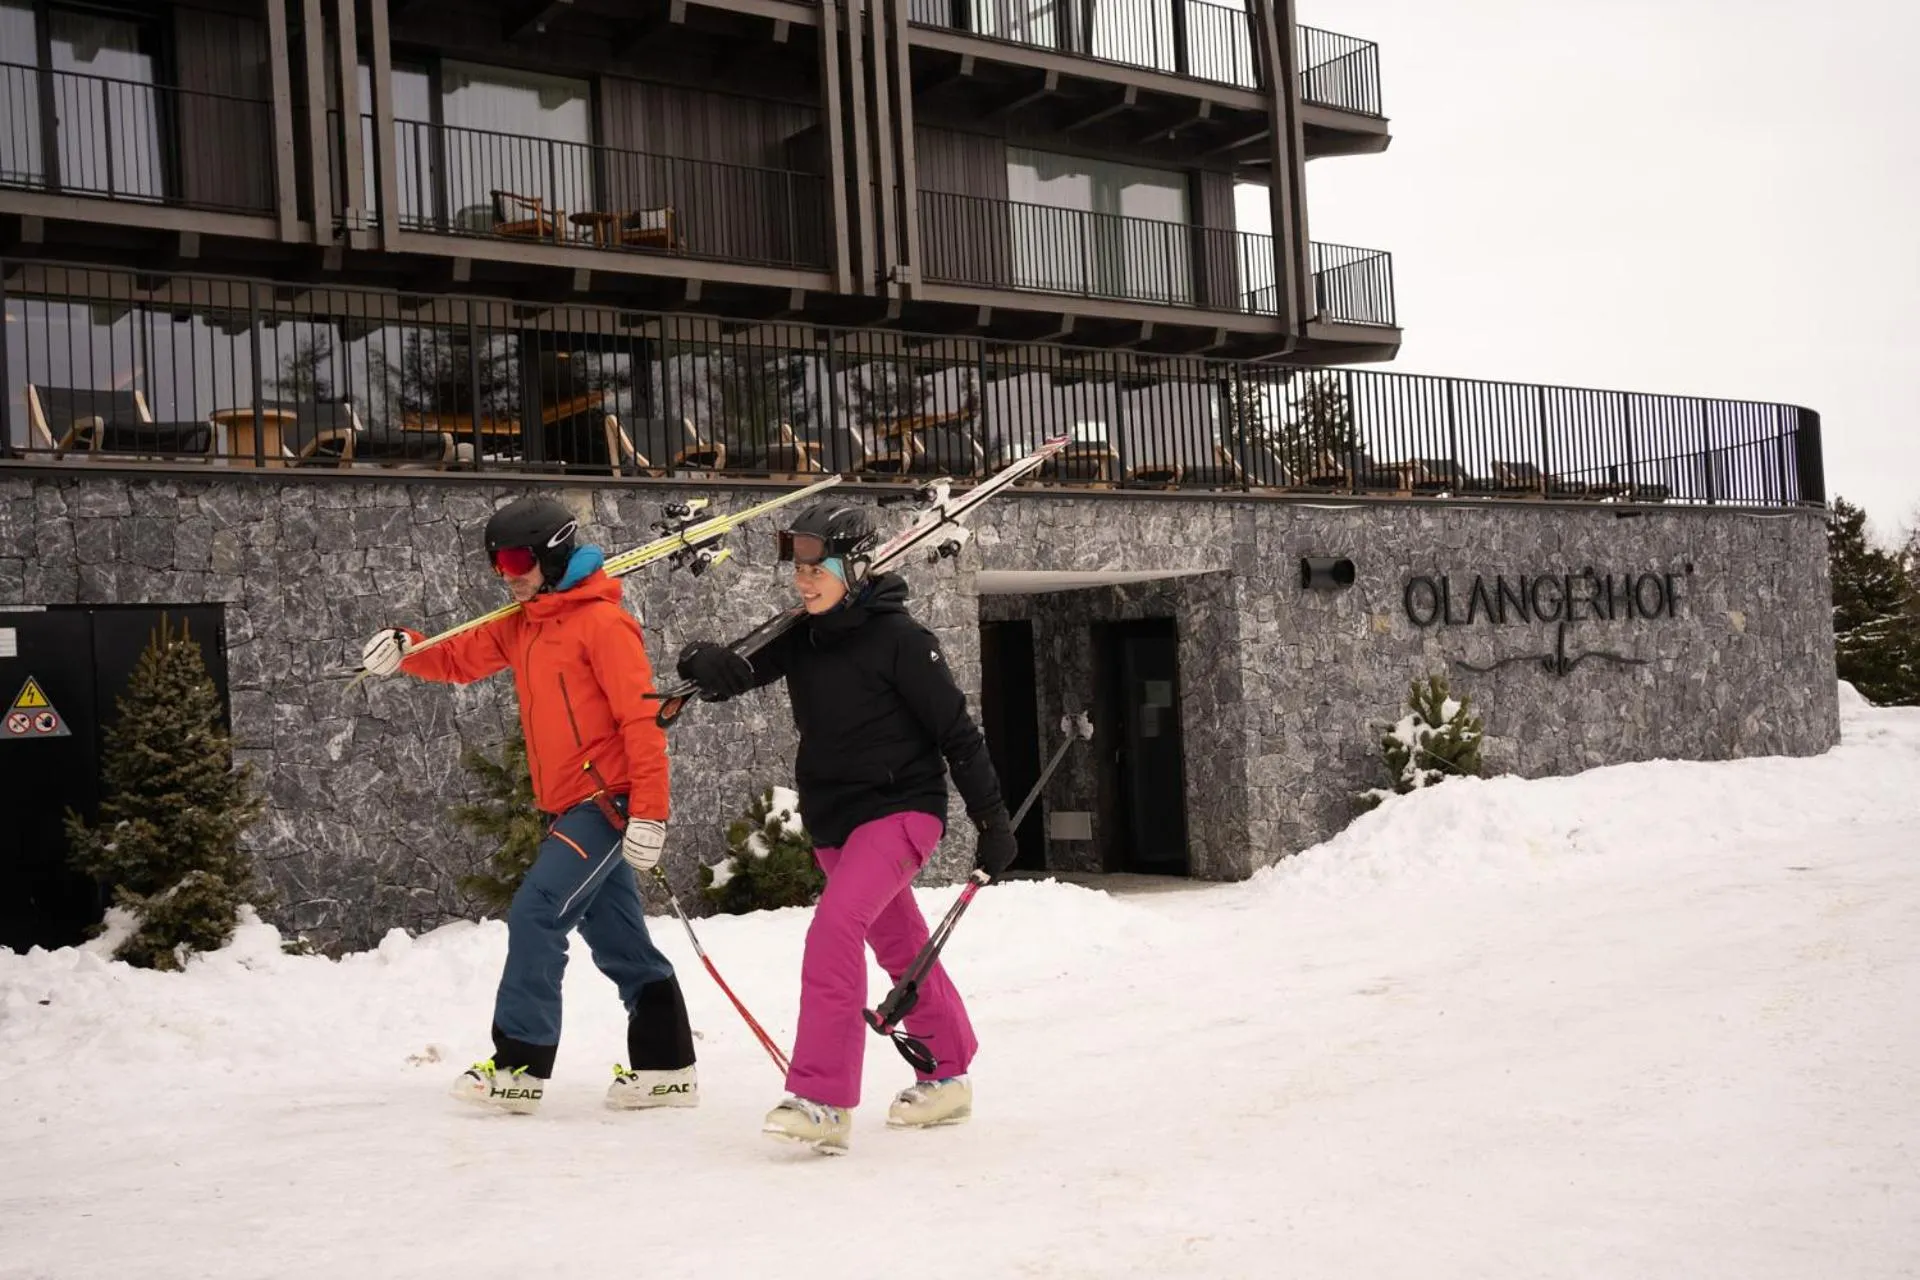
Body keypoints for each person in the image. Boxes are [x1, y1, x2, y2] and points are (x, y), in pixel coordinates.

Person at [674, 501, 1019, 1154]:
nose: (803, 579)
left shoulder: (904, 641)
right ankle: (946, 1075)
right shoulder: (804, 635)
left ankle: (822, 1097)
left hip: (901, 813)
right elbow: (740, 673)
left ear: (856, 566)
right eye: (798, 566)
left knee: (834, 928)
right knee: (899, 945)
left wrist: (992, 821)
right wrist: (703, 663)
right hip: (836, 825)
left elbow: (959, 736)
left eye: (817, 566)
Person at [358, 495, 697, 1116]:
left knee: (538, 912)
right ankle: (666, 1068)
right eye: (497, 563)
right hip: (567, 805)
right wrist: (406, 647)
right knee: (621, 940)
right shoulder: (526, 623)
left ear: (553, 553)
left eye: (517, 559)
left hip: (606, 803)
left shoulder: (603, 624)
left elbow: (641, 719)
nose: (507, 574)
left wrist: (651, 810)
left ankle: (519, 1063)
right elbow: (459, 657)